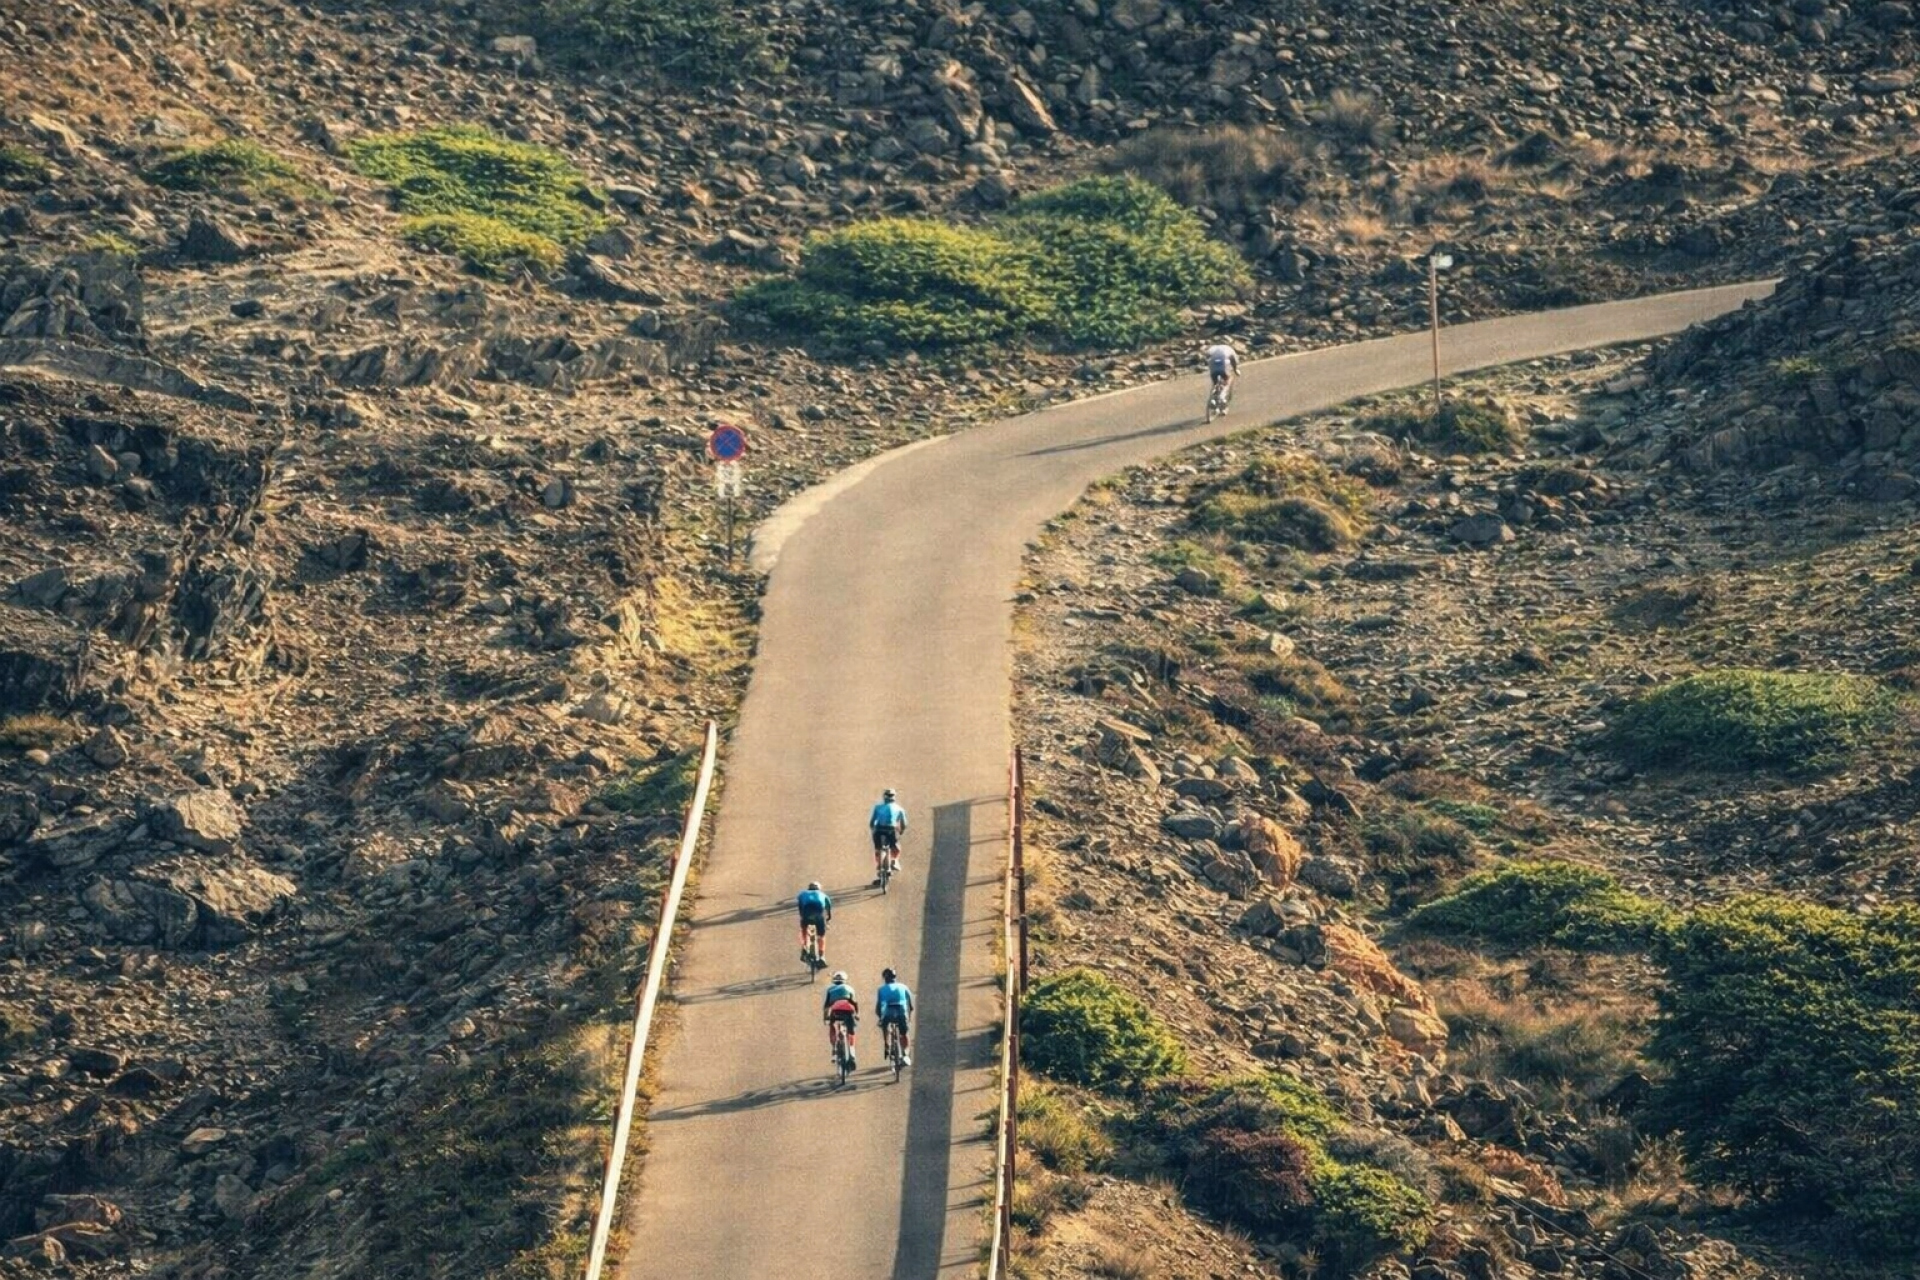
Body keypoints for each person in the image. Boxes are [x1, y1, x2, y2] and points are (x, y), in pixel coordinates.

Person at [875, 966, 914, 1067]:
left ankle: (887, 1044)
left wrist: (880, 1018)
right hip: (901, 1013)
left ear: (885, 978)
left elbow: (878, 1007)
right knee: (904, 1033)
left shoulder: (881, 989)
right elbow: (910, 1006)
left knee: (885, 1026)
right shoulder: (903, 987)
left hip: (887, 1014)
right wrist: (909, 1018)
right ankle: (906, 1054)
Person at [823, 971, 859, 1067]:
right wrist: (857, 1014)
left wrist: (825, 1018)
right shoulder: (849, 988)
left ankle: (834, 1048)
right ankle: (852, 1052)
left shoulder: (830, 989)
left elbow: (826, 1005)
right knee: (851, 1032)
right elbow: (854, 1003)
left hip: (835, 1011)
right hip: (848, 1011)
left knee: (832, 1026)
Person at [870, 788, 907, 877]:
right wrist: (901, 831)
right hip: (891, 830)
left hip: (879, 829)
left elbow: (872, 822)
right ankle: (894, 860)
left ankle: (879, 864)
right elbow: (904, 824)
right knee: (896, 847)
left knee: (878, 848)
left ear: (884, 797)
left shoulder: (878, 808)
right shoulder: (899, 809)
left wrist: (873, 829)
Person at [796, 880, 832, 964]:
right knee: (821, 936)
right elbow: (828, 908)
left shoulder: (802, 894)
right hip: (819, 916)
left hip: (806, 915)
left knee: (803, 930)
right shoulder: (823, 895)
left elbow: (800, 907)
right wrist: (828, 919)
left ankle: (804, 947)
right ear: (819, 889)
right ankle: (822, 957)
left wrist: (802, 917)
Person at [1205, 338, 1239, 412]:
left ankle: (1213, 397)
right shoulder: (1229, 349)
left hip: (1213, 366)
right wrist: (1235, 369)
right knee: (1229, 378)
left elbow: (1207, 356)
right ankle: (1222, 395)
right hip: (1223, 366)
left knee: (1215, 383)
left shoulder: (1212, 348)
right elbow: (1233, 360)